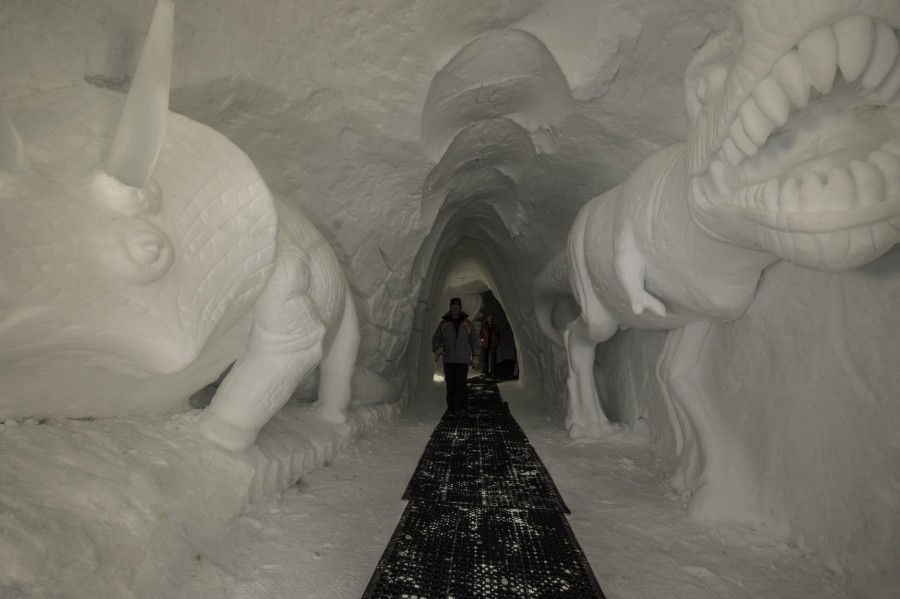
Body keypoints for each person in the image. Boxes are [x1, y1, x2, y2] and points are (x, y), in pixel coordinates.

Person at [432, 297, 477, 417]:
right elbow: (437, 338)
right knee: (450, 385)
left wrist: (476, 355)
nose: (455, 308)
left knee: (461, 385)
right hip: (449, 360)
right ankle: (452, 408)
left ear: (460, 308)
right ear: (450, 308)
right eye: (453, 306)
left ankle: (462, 408)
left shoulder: (467, 323)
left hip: (462, 361)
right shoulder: (444, 323)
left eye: (457, 306)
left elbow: (474, 340)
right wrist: (437, 349)